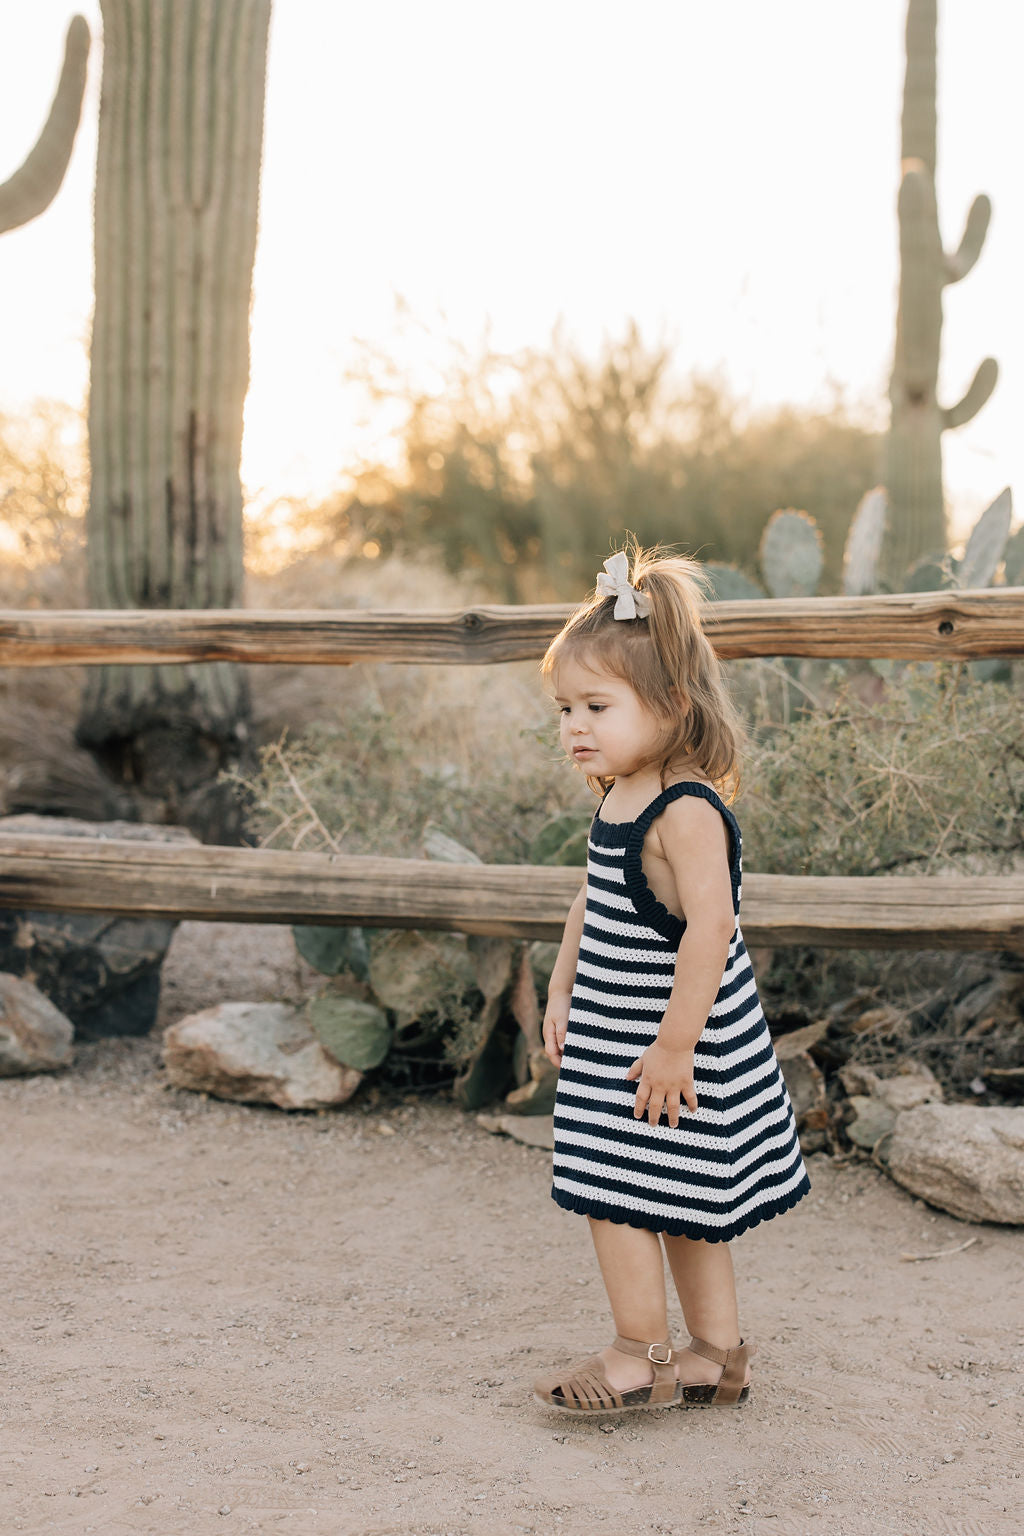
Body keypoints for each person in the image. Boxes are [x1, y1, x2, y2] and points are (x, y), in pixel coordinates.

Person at [532, 543, 810, 1416]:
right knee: (680, 1195)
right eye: (566, 709)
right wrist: (561, 987)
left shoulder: (684, 807)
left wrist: (675, 1046)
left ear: (673, 705)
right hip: (620, 1034)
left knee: (613, 1192)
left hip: (669, 1046)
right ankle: (715, 1359)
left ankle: (638, 1356)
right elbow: (590, 900)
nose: (575, 727)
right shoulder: (620, 790)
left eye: (597, 706)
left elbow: (713, 929)